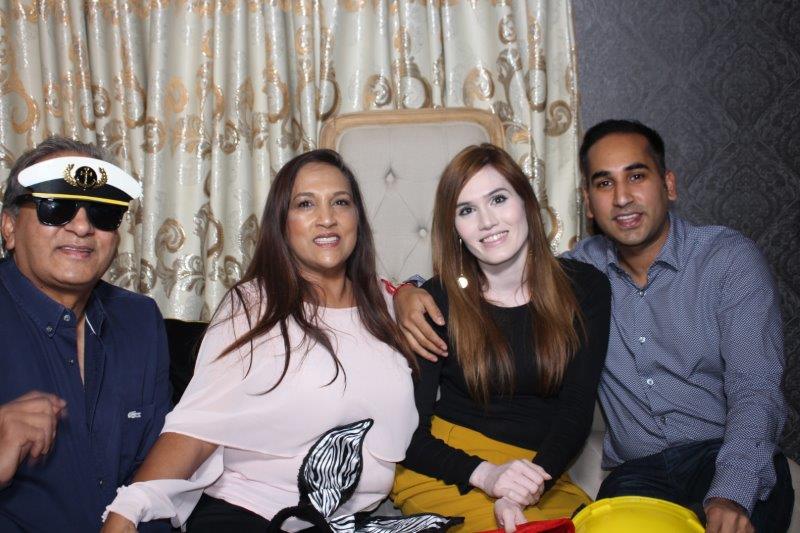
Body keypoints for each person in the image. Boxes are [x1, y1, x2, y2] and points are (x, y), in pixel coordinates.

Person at [394, 121, 793, 532]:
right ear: (588, 203)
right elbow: (472, 286)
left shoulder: (720, 262)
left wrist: (731, 492)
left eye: (636, 176)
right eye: (604, 183)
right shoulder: (579, 272)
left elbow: (756, 389)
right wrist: (406, 292)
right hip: (638, 472)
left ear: (669, 184)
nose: (622, 198)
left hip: (722, 456)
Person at [101, 149, 421, 532]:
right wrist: (129, 508)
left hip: (349, 522)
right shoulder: (253, 305)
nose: (327, 218)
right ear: (282, 223)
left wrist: (410, 289)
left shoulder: (388, 307)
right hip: (251, 514)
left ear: (358, 218)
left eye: (340, 202)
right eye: (305, 204)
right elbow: (195, 427)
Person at [390, 144, 612, 533]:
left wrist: (523, 486)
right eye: (466, 210)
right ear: (455, 229)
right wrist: (489, 476)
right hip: (453, 468)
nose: (487, 221)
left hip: (538, 472)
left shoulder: (585, 287)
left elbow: (576, 411)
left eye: (498, 199)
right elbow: (408, 433)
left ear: (526, 201)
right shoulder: (436, 300)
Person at [0, 137, 172, 532]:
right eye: (55, 207)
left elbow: (158, 472)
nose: (81, 226)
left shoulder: (140, 320)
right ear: (9, 227)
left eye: (102, 212)